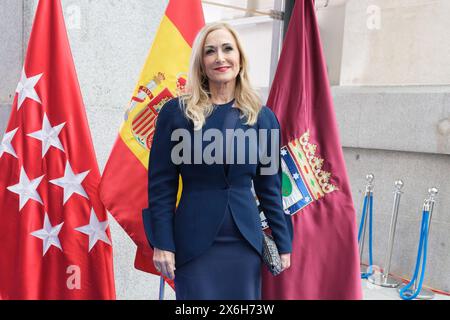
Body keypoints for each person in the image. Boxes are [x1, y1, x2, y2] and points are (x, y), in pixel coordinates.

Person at [142, 22, 293, 300]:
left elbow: (270, 187)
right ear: (201, 63)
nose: (220, 58)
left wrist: (283, 243)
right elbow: (161, 188)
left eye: (227, 49)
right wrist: (162, 243)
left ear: (240, 59)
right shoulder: (176, 114)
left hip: (245, 244)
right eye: (210, 51)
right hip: (193, 244)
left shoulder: (263, 118)